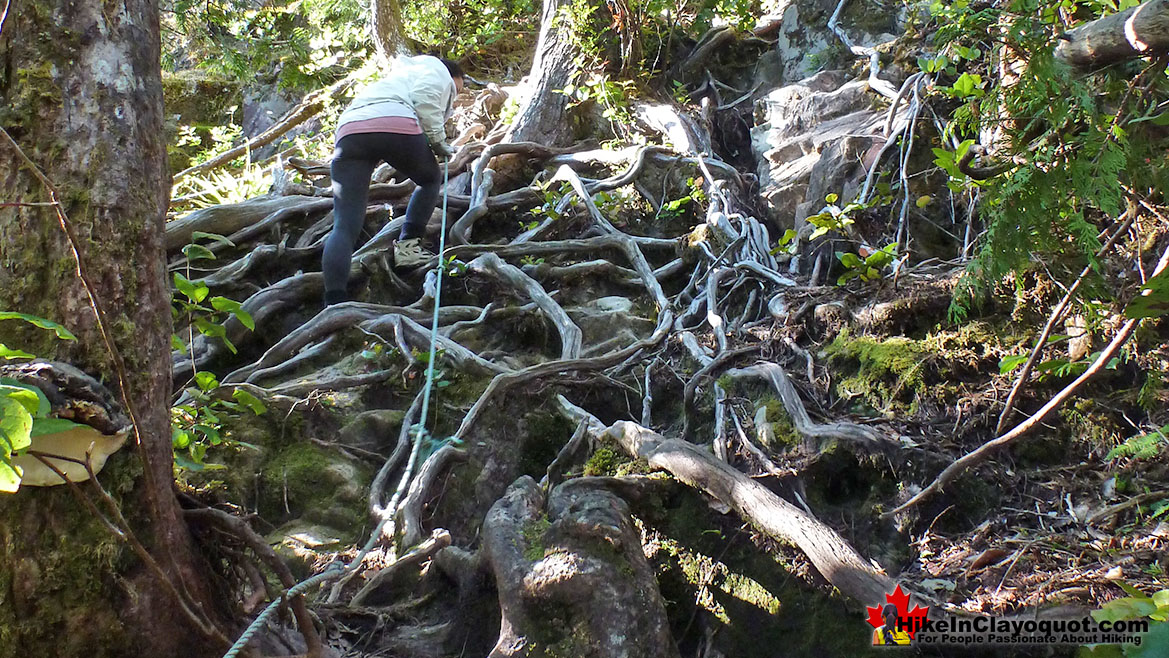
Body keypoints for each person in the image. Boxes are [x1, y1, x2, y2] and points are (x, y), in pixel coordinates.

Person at [321, 54, 464, 305]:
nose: (455, 97)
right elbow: (426, 100)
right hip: (395, 120)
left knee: (344, 225)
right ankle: (408, 249)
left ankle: (334, 299)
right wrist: (439, 142)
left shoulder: (396, 77)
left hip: (349, 130)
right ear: (450, 75)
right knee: (430, 179)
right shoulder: (435, 70)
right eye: (456, 90)